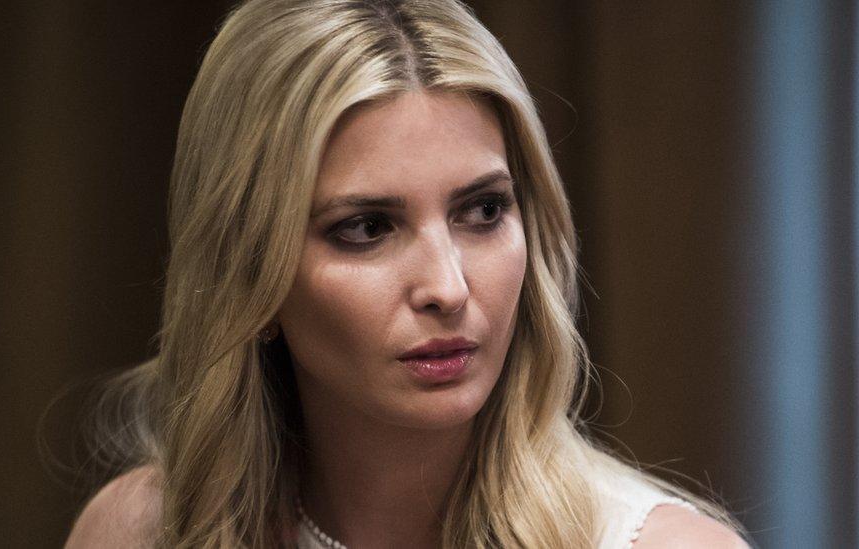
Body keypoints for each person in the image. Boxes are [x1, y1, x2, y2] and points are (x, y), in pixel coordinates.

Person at [65, 0, 751, 547]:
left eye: (483, 210)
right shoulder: (142, 531)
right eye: (366, 228)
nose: (448, 289)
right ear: (249, 271)